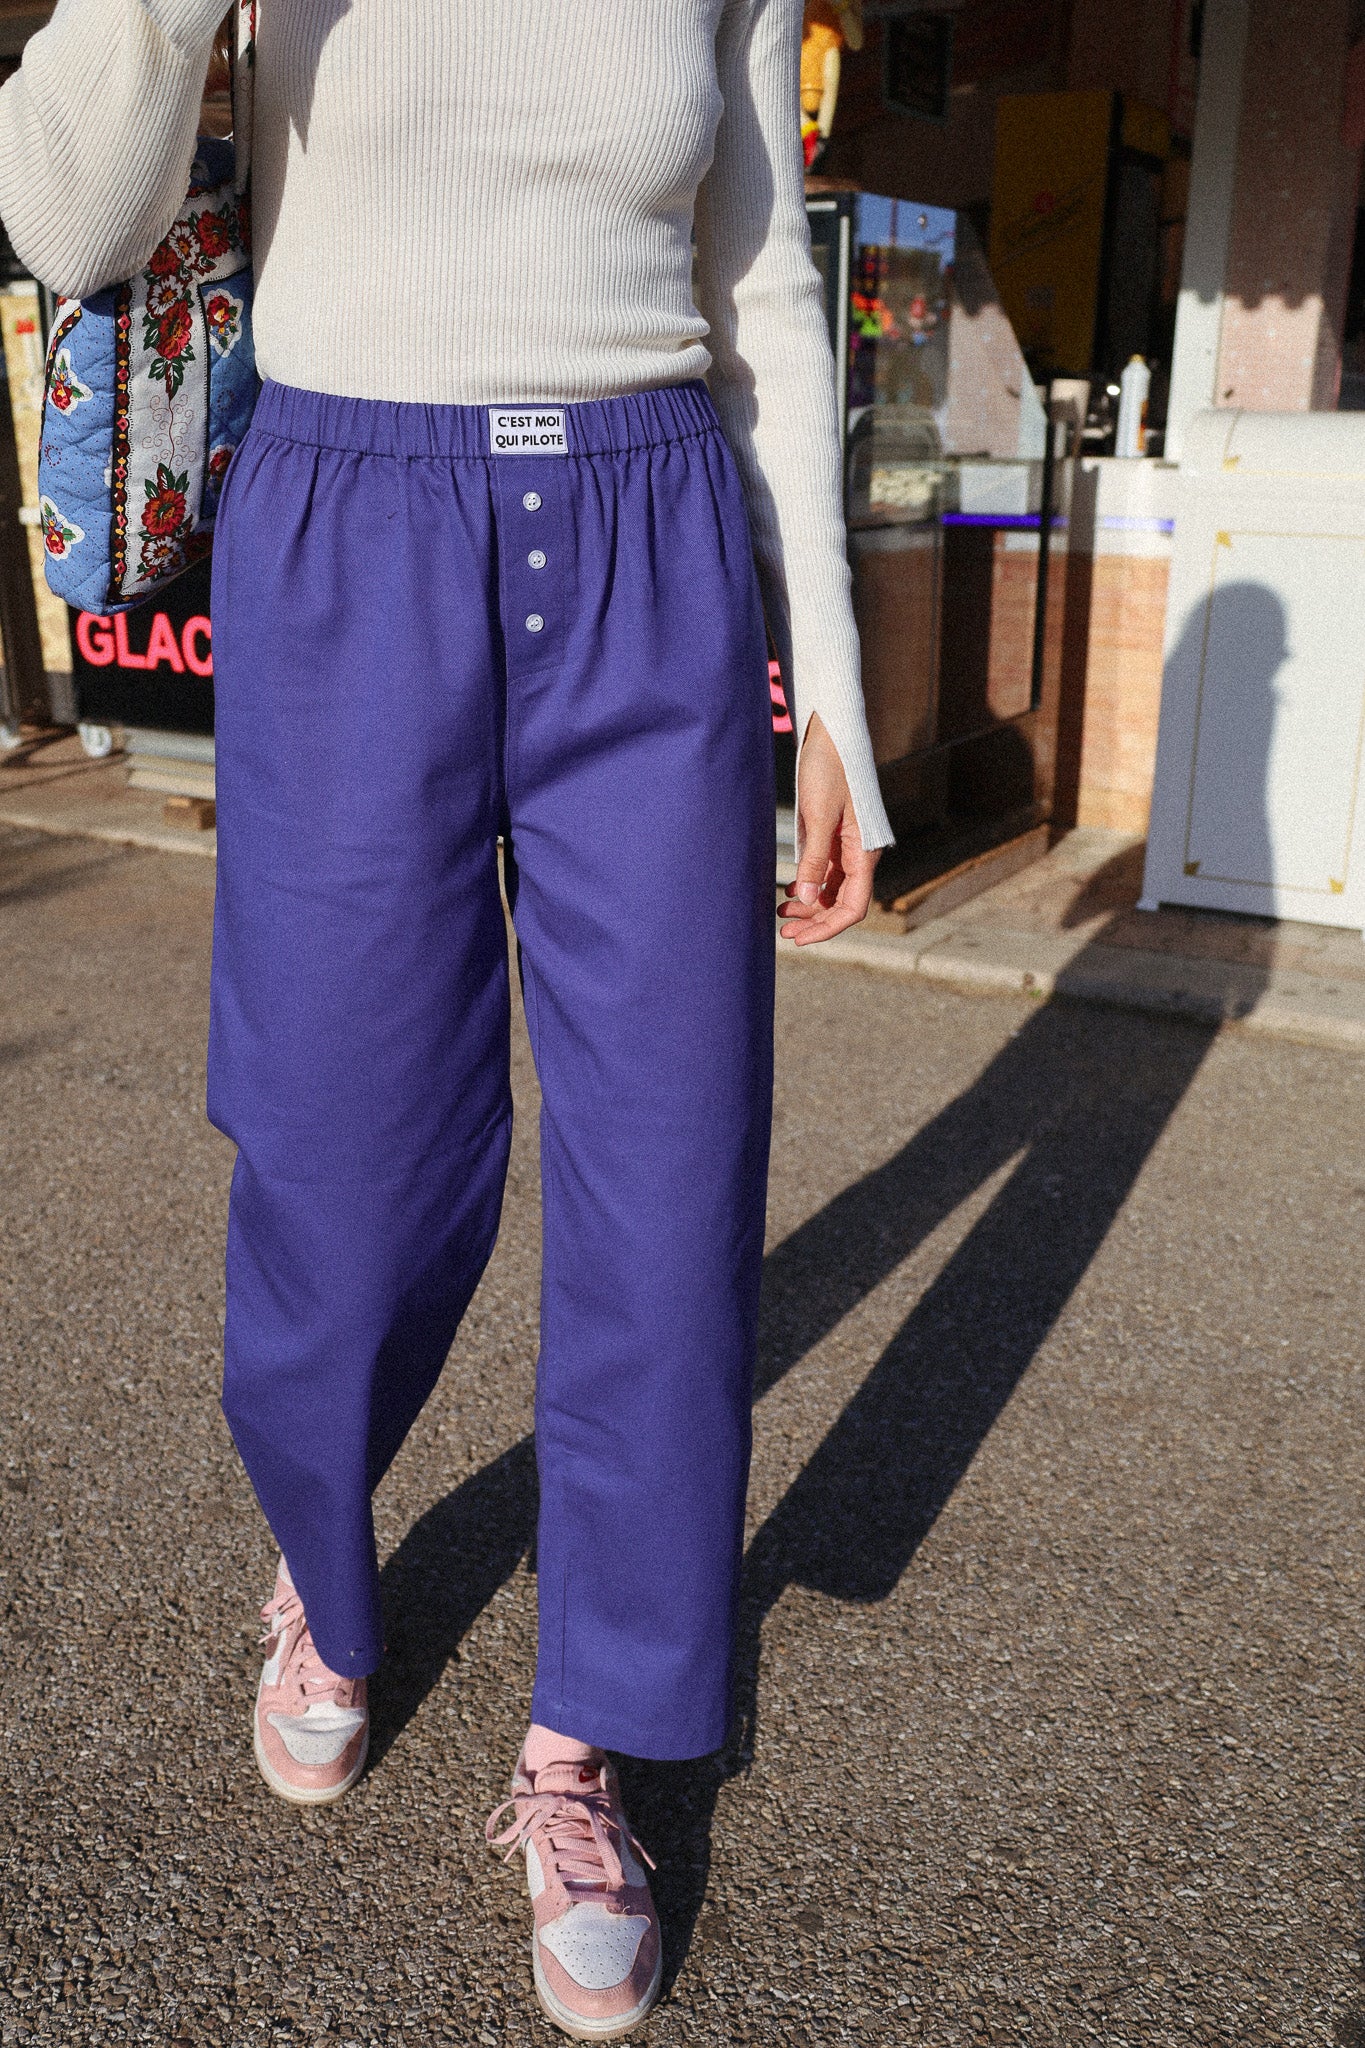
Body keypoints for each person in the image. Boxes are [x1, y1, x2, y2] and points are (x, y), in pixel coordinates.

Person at [0, 0, 893, 2035]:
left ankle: (588, 1736)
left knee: (668, 1173)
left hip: (649, 538)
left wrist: (830, 687)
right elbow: (65, 220)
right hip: (348, 523)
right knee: (344, 1153)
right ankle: (325, 1571)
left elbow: (761, 280)